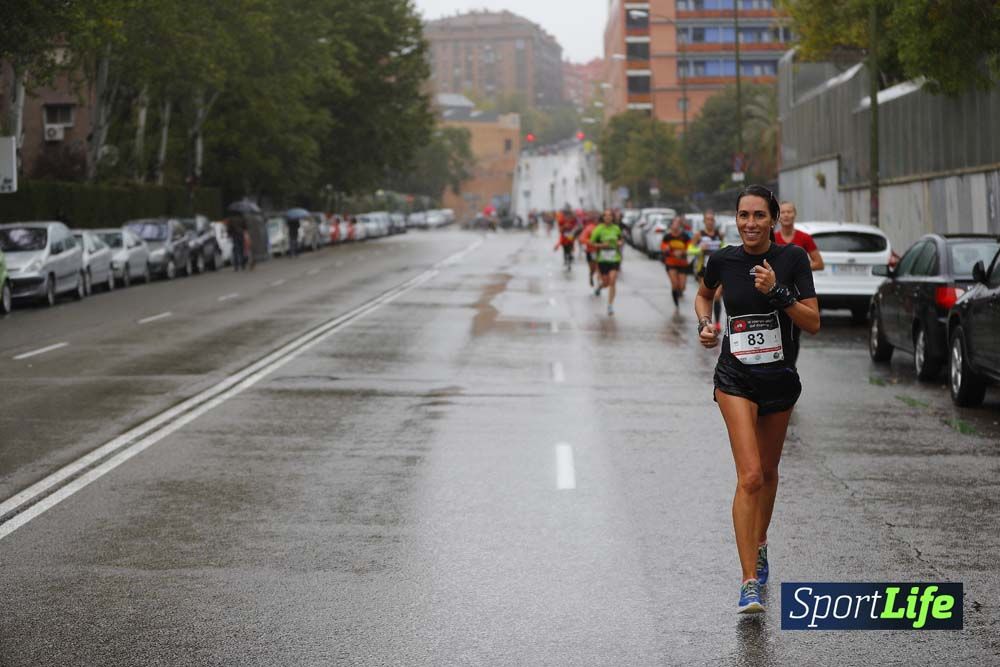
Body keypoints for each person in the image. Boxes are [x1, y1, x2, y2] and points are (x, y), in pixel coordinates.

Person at [694, 184, 820, 614]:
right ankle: (749, 581)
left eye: (759, 216)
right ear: (736, 219)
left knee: (768, 472)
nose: (750, 224)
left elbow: (814, 321)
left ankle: (761, 542)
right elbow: (703, 295)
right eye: (743, 216)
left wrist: (777, 293)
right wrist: (705, 326)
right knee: (749, 476)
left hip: (779, 379)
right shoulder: (723, 260)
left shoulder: (792, 259)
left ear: (773, 219)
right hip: (735, 377)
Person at [775, 201, 824, 366]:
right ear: (778, 216)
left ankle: (790, 366)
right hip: (774, 291)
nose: (786, 215)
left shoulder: (804, 238)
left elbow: (819, 263)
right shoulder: (772, 238)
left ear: (795, 214)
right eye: (783, 212)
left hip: (797, 295)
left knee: (793, 333)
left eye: (789, 212)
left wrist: (796, 269)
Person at [692, 210, 726, 329]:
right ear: (704, 221)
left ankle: (717, 323)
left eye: (712, 219)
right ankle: (705, 322)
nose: (710, 222)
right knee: (706, 296)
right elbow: (690, 249)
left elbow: (723, 248)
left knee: (717, 296)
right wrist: (699, 249)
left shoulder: (719, 234)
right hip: (703, 269)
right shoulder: (699, 235)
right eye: (708, 219)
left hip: (718, 270)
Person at [589, 208, 623, 316]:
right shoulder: (598, 229)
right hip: (603, 260)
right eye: (605, 215)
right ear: (603, 218)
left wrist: (619, 243)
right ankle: (599, 287)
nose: (608, 217)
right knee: (606, 283)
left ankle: (610, 305)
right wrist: (601, 245)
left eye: (610, 215)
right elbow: (591, 243)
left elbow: (621, 240)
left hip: (614, 258)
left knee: (613, 280)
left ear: (612, 217)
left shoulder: (616, 228)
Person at [661, 215, 692, 308]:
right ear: (671, 225)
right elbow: (663, 247)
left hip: (682, 263)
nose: (675, 225)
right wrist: (666, 249)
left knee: (682, 286)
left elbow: (690, 248)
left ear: (680, 225)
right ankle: (676, 304)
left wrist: (682, 252)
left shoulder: (685, 236)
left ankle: (679, 292)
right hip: (671, 262)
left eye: (678, 223)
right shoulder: (667, 236)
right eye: (674, 223)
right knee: (674, 284)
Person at [579, 214, 599, 288]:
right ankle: (591, 276)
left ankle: (599, 283)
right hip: (591, 251)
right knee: (592, 268)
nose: (597, 221)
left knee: (599, 268)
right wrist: (591, 242)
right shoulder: (589, 228)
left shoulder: (603, 228)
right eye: (595, 220)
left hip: (600, 252)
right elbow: (581, 238)